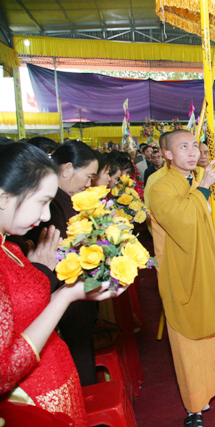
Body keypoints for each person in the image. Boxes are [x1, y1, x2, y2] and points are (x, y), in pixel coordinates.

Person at [0, 142, 125, 426]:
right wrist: (66, 296)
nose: (46, 216)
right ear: (4, 197)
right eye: (42, 202)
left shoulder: (11, 247)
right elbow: (4, 370)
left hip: (54, 382)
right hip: (31, 402)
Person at [148, 130, 215, 427]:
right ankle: (194, 407)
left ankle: (212, 381)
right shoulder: (161, 187)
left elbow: (203, 223)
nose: (192, 152)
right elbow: (184, 221)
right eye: (183, 147)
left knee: (213, 323)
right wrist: (202, 188)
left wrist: (213, 244)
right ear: (167, 154)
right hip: (182, 271)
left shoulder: (195, 179)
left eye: (194, 146)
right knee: (188, 338)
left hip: (206, 263)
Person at [25, 140, 100, 386]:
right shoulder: (55, 204)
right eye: (88, 176)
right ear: (67, 169)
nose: (88, 184)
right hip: (61, 296)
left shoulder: (64, 199)